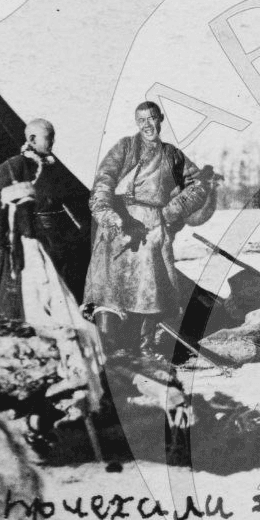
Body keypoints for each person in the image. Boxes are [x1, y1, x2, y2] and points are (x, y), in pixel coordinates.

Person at [85, 101, 209, 357]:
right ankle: (110, 346)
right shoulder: (124, 147)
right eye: (142, 120)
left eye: (152, 118)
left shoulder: (173, 155)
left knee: (152, 289)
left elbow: (198, 185)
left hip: (154, 228)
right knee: (109, 287)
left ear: (161, 119)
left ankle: (145, 347)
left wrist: (170, 212)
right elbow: (104, 180)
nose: (148, 125)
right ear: (136, 122)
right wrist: (106, 214)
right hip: (118, 227)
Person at [0, 119, 88, 318]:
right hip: (29, 241)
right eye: (49, 138)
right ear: (31, 138)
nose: (53, 142)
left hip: (59, 242)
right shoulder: (12, 167)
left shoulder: (54, 167)